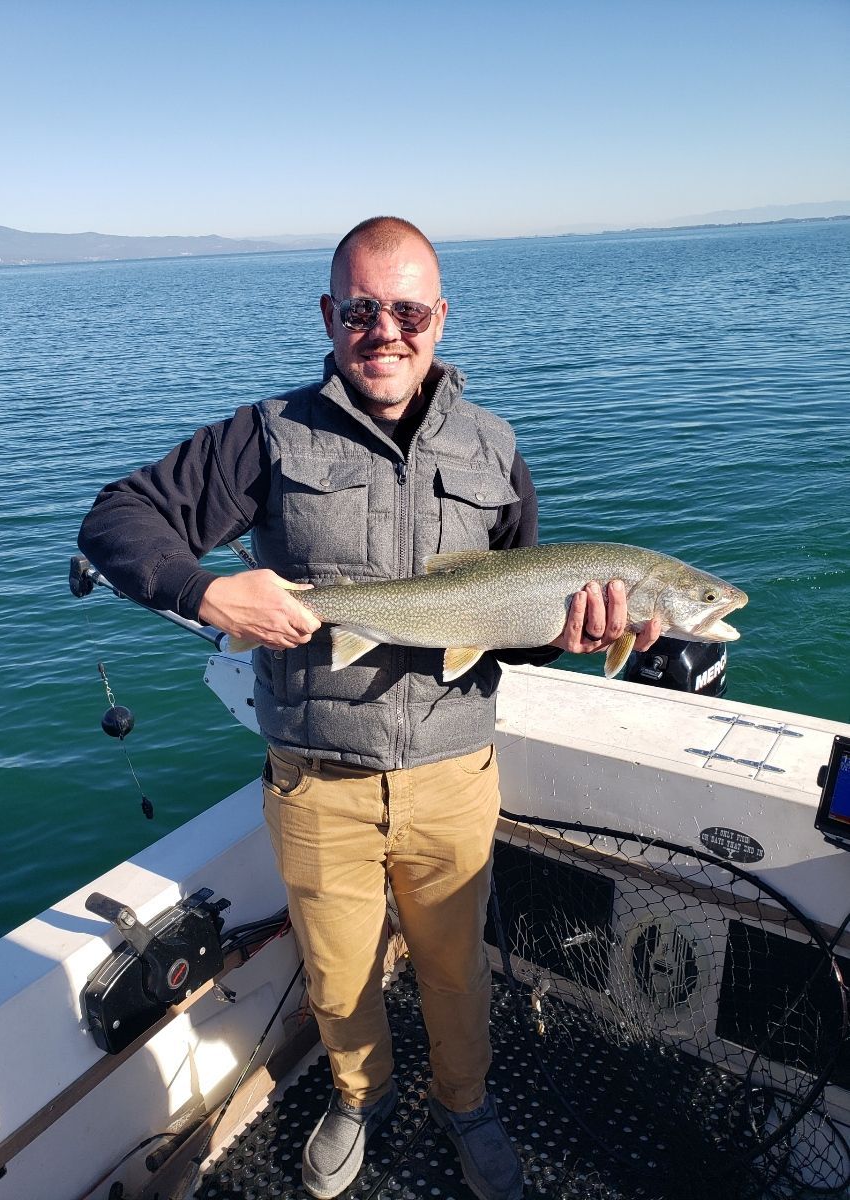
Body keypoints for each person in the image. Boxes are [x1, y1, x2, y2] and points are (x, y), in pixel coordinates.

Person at [78, 216, 661, 1200]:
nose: (384, 330)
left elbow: (509, 615)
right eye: (361, 309)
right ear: (330, 315)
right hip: (317, 781)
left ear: (440, 318)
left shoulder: (497, 448)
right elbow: (117, 520)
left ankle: (464, 1100)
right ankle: (359, 1093)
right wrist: (206, 592)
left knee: (456, 973)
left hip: (453, 778)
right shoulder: (264, 436)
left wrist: (573, 629)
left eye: (407, 309)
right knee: (339, 973)